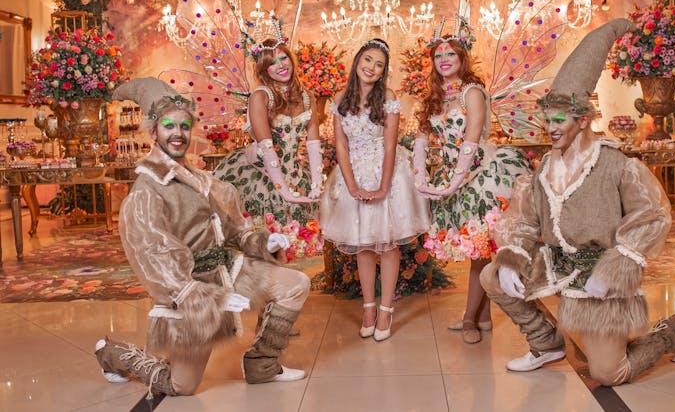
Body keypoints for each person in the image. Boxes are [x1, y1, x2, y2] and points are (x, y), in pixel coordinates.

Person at [479, 19, 675, 386]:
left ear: (582, 120)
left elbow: (653, 215)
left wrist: (613, 269)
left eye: (559, 119)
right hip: (558, 265)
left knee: (609, 374)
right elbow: (527, 221)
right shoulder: (545, 166)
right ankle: (546, 343)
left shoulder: (616, 165)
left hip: (598, 277)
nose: (550, 128)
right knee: (492, 275)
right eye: (547, 119)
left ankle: (674, 331)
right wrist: (512, 257)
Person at [94, 77, 310, 398]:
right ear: (153, 132)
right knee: (182, 386)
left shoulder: (196, 178)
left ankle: (262, 364)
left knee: (295, 284)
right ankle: (113, 355)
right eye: (169, 126)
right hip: (190, 294)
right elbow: (157, 261)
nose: (178, 133)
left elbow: (231, 229)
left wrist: (262, 242)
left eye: (183, 126)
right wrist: (213, 299)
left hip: (226, 271)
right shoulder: (147, 190)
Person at [414, 20, 531, 344]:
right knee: (475, 250)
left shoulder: (472, 92)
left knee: (480, 249)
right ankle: (484, 317)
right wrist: (421, 174)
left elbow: (471, 140)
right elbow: (421, 141)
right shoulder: (435, 98)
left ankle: (469, 320)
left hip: (481, 176)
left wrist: (454, 182)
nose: (445, 60)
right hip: (452, 178)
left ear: (462, 58)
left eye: (451, 54)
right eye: (438, 56)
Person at [320, 38, 430, 341]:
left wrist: (383, 187)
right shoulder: (341, 98)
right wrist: (352, 183)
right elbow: (340, 144)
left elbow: (391, 143)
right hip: (352, 172)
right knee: (364, 244)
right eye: (367, 60)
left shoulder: (389, 98)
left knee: (388, 244)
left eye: (378, 64)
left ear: (383, 72)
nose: (371, 67)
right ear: (357, 62)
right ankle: (368, 308)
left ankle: (385, 310)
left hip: (387, 172)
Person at [214, 36, 323, 226]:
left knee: (304, 236)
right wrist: (284, 192)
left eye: (283, 58)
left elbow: (314, 144)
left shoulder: (307, 97)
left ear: (291, 59)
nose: (280, 66)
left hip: (294, 171)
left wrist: (317, 184)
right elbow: (267, 148)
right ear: (264, 71)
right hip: (262, 170)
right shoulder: (260, 97)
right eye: (272, 63)